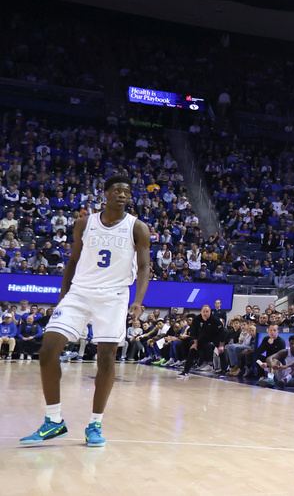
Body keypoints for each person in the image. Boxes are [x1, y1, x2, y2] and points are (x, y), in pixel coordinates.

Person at [20, 175, 150, 447]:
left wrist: (138, 299)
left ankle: (95, 424)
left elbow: (144, 266)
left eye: (127, 191)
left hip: (114, 295)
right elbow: (74, 260)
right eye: (117, 190)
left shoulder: (137, 227)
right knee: (47, 350)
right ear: (104, 194)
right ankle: (54, 421)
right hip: (79, 291)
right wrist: (62, 296)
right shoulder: (84, 223)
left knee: (106, 358)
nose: (122, 195)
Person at [177, 304, 226, 380]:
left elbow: (222, 333)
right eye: (204, 311)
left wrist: (221, 345)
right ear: (201, 312)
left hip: (215, 336)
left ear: (210, 312)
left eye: (207, 311)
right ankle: (185, 372)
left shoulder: (216, 320)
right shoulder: (197, 319)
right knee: (193, 350)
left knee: (221, 352)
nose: (205, 313)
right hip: (204, 336)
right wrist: (195, 343)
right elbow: (194, 332)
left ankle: (224, 371)